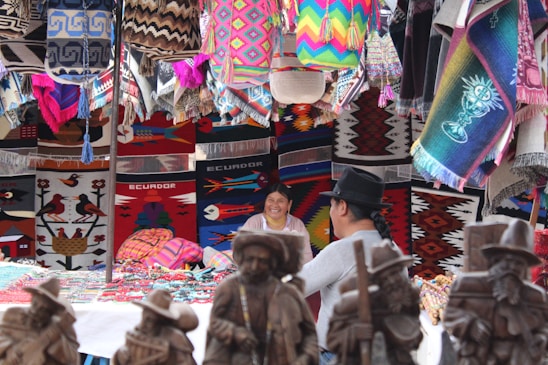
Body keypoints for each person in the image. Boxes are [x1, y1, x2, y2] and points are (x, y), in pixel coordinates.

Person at [297, 166, 397, 365]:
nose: (331, 213)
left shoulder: (343, 250)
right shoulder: (393, 249)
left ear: (342, 207)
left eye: (332, 206)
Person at [203, 228, 319, 365]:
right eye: (250, 259)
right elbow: (215, 323)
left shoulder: (288, 292)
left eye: (262, 261)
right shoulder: (229, 288)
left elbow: (309, 334)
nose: (254, 266)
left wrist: (305, 358)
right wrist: (236, 333)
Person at [443, 218, 548, 365]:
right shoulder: (468, 285)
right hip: (477, 356)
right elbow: (450, 316)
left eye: (519, 263)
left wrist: (539, 339)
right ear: (496, 260)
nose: (512, 267)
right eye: (507, 260)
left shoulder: (535, 296)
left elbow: (543, 329)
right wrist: (471, 325)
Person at [326, 240, 422, 365]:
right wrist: (355, 332)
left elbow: (415, 334)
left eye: (395, 273)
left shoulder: (409, 297)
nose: (392, 281)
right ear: (377, 280)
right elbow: (333, 341)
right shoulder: (354, 304)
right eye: (385, 277)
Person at [0, 277, 80, 365]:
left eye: (43, 309)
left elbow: (72, 359)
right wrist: (10, 348)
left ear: (51, 311)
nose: (34, 311)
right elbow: (2, 336)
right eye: (35, 304)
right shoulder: (14, 314)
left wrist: (55, 340)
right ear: (32, 299)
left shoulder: (59, 326)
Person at [112, 289, 198, 365]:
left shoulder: (174, 337)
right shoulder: (138, 331)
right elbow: (122, 356)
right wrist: (119, 356)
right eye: (144, 315)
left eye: (150, 319)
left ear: (161, 318)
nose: (144, 323)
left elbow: (185, 362)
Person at [242, 183, 314, 264]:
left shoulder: (297, 225)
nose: (275, 205)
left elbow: (306, 258)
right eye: (270, 200)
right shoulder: (253, 223)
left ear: (289, 204)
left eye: (281, 201)